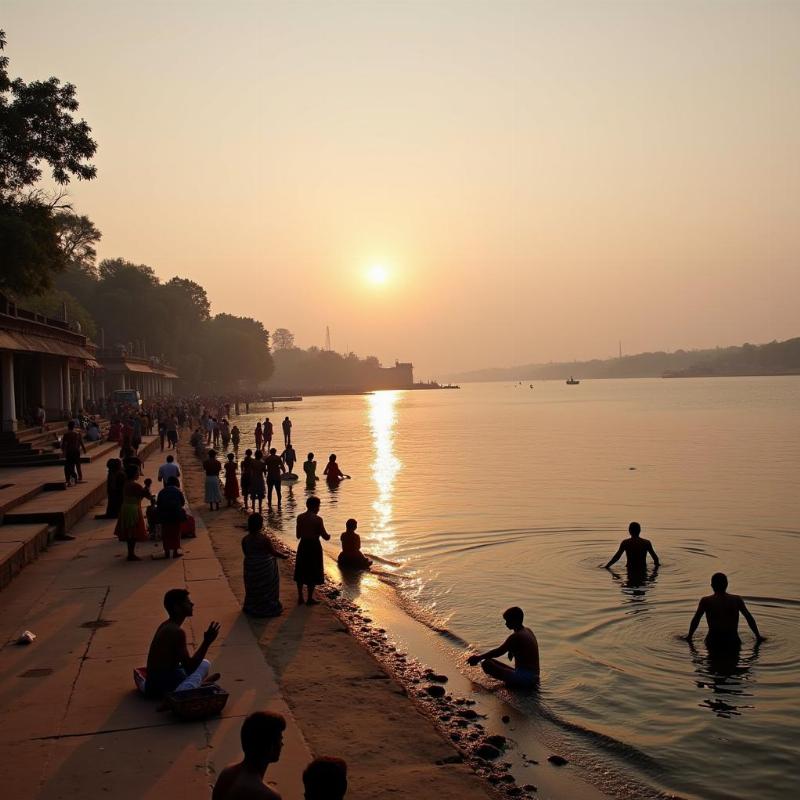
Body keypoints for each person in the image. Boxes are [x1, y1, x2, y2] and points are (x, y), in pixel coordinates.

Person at [144, 588, 220, 698]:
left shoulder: (166, 624)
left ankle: (198, 684)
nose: (192, 604)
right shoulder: (176, 632)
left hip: (160, 680)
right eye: (187, 602)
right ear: (177, 608)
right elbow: (190, 667)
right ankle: (193, 688)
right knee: (194, 676)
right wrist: (206, 642)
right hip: (160, 688)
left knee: (205, 663)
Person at [212, 711, 286, 800]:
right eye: (280, 739)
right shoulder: (268, 796)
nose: (282, 744)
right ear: (271, 747)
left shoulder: (227, 772)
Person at [683, 572, 766, 648]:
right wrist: (758, 636)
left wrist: (689, 637)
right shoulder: (736, 600)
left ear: (712, 585)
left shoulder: (706, 601)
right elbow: (749, 618)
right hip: (733, 641)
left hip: (713, 641)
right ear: (726, 584)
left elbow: (696, 619)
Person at [467, 606, 540, 689]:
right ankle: (513, 681)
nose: (506, 623)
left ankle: (515, 685)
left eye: (507, 621)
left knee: (486, 664)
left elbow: (498, 652)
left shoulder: (516, 636)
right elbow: (521, 650)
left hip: (526, 679)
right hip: (534, 677)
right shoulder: (528, 631)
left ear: (514, 621)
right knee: (490, 660)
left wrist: (478, 658)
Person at [242, 513, 287, 617]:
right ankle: (268, 605)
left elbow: (246, 553)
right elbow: (273, 552)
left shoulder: (245, 539)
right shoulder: (264, 539)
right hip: (264, 567)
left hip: (251, 566)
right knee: (273, 561)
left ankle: (253, 605)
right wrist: (284, 556)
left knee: (252, 587)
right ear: (260, 525)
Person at [294, 496, 330, 605]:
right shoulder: (318, 519)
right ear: (315, 506)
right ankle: (309, 598)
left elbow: (298, 535)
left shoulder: (300, 517)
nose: (319, 508)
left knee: (301, 570)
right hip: (314, 546)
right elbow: (325, 537)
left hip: (303, 544)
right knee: (313, 571)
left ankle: (300, 597)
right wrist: (329, 536)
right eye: (318, 506)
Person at [114, 464, 153, 561]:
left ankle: (130, 553)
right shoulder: (135, 485)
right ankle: (131, 554)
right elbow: (147, 496)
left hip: (126, 508)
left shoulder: (126, 483)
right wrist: (147, 486)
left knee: (129, 532)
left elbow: (140, 495)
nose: (139, 473)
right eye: (137, 471)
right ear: (134, 473)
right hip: (132, 509)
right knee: (133, 533)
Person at [156, 476, 186, 559]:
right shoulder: (178, 491)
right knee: (176, 533)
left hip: (165, 516)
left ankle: (167, 552)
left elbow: (158, 504)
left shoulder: (162, 492)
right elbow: (182, 503)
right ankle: (175, 551)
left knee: (166, 534)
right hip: (176, 515)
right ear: (176, 483)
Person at [61, 420, 87, 487]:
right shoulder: (77, 434)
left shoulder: (66, 434)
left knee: (70, 465)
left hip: (69, 452)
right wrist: (84, 449)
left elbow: (63, 445)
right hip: (76, 451)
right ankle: (80, 477)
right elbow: (81, 442)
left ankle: (70, 479)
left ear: (68, 427)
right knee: (78, 465)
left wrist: (63, 451)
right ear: (74, 426)